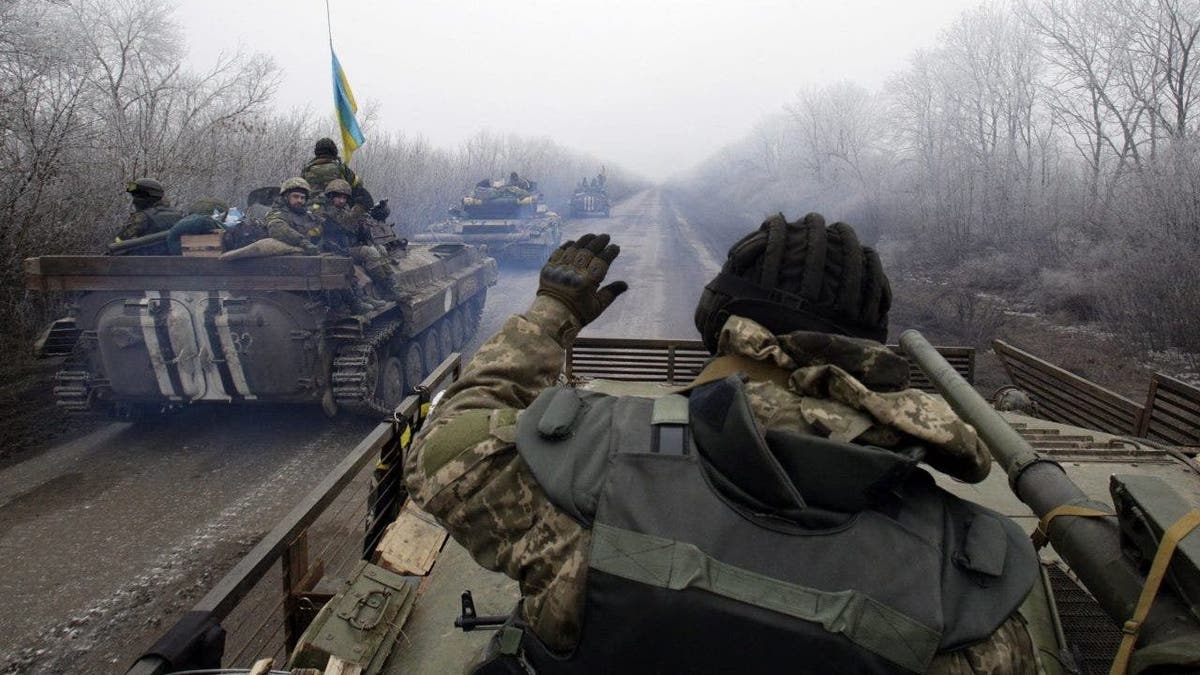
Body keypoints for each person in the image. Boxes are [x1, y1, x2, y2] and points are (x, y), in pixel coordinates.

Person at [405, 214, 1041, 674]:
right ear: (868, 348)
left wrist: (549, 314)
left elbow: (440, 451)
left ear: (719, 318)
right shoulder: (966, 586)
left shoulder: (590, 465)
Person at [316, 179, 399, 302]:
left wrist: (364, 221)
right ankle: (384, 289)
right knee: (369, 252)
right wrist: (360, 208)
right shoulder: (326, 210)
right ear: (330, 196)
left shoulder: (342, 209)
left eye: (344, 198)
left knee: (380, 249)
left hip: (346, 246)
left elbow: (355, 224)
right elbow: (347, 223)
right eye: (338, 197)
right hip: (333, 250)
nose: (341, 201)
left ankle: (391, 287)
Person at [302, 137, 372, 208]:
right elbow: (358, 184)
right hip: (336, 209)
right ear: (334, 151)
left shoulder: (307, 169)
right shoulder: (340, 168)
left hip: (310, 208)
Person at [113, 178, 184, 246]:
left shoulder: (142, 216)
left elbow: (119, 242)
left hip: (143, 257)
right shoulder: (177, 215)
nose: (134, 201)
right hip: (173, 257)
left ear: (145, 197)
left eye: (137, 196)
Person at [265, 177, 322, 255]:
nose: (299, 200)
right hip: (284, 259)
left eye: (302, 198)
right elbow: (277, 227)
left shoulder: (309, 215)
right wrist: (303, 242)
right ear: (286, 197)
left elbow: (321, 228)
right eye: (295, 196)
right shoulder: (277, 213)